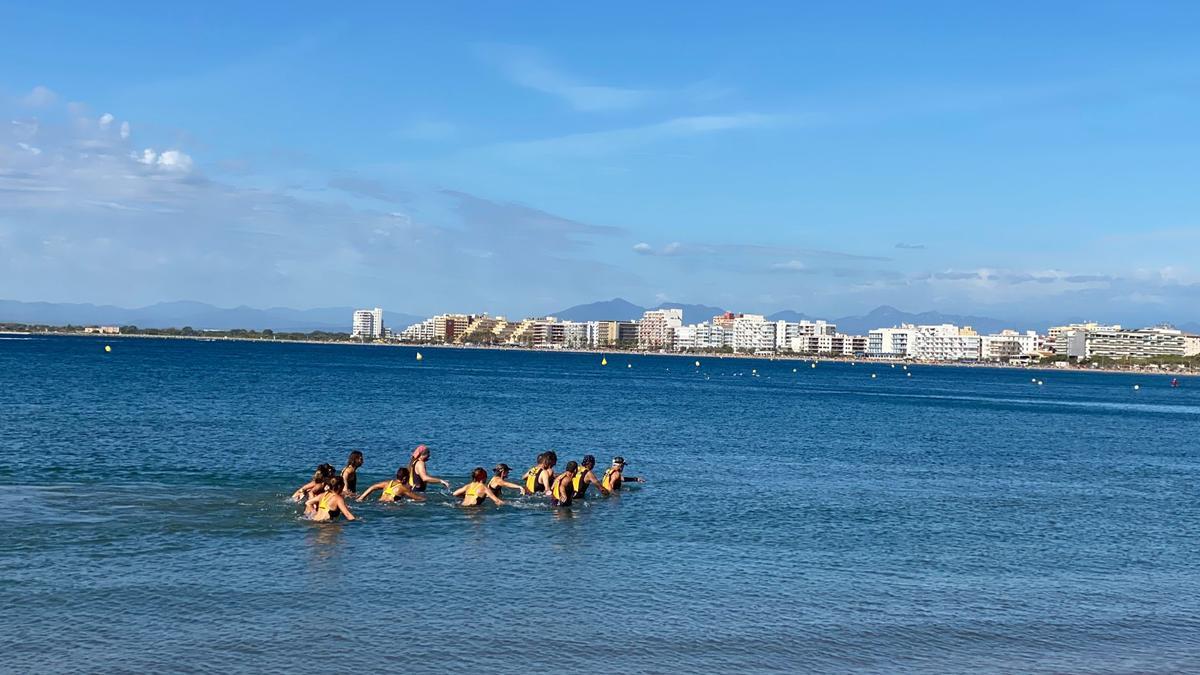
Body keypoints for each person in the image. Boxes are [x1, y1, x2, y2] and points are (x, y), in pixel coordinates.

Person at [357, 467, 426, 503]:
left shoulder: (387, 483)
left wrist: (361, 498)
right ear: (405, 478)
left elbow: (373, 487)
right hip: (390, 507)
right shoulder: (402, 488)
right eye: (408, 478)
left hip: (379, 503)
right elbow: (419, 499)